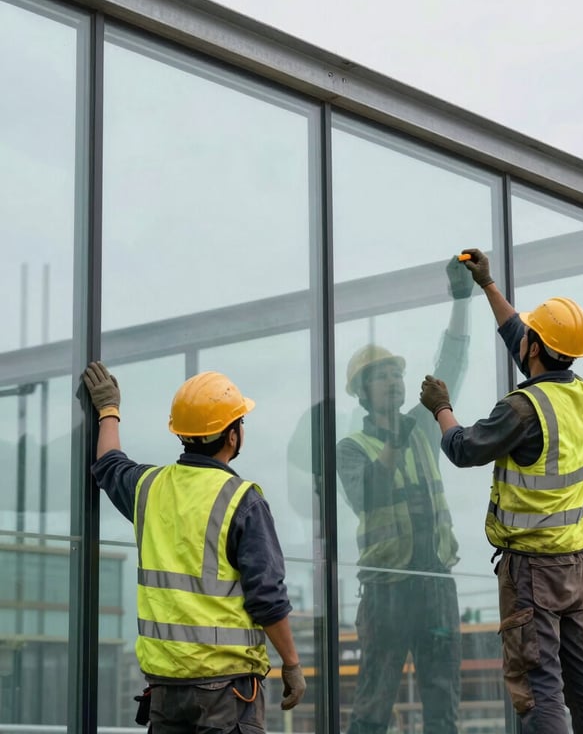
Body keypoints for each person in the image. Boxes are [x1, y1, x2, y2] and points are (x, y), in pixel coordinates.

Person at [418, 248, 583, 734]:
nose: (521, 338)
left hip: (531, 571)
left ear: (534, 348)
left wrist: (441, 408)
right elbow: (524, 344)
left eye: (528, 337)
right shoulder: (580, 395)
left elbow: (463, 449)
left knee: (538, 688)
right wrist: (488, 286)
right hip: (573, 565)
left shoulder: (523, 409)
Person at [81, 362, 306, 733]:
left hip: (166, 691)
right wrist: (293, 664)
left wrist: (108, 409)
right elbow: (266, 597)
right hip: (227, 691)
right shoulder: (242, 501)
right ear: (232, 436)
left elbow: (107, 463)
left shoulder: (149, 487)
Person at [335, 256, 473, 734]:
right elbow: (368, 495)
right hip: (387, 591)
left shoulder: (420, 430)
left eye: (396, 374)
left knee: (443, 710)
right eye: (382, 376)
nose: (394, 382)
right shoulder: (351, 448)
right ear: (362, 393)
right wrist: (396, 437)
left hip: (435, 583)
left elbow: (449, 367)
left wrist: (461, 302)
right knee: (373, 707)